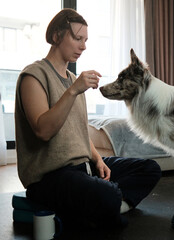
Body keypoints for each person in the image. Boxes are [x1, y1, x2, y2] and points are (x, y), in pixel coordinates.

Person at [14, 8, 161, 229]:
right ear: (56, 36)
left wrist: (98, 160)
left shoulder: (73, 79)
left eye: (85, 40)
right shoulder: (33, 76)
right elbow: (43, 131)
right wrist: (73, 91)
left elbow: (79, 132)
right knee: (106, 194)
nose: (83, 46)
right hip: (50, 177)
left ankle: (105, 207)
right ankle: (107, 204)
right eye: (77, 38)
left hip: (84, 169)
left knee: (150, 169)